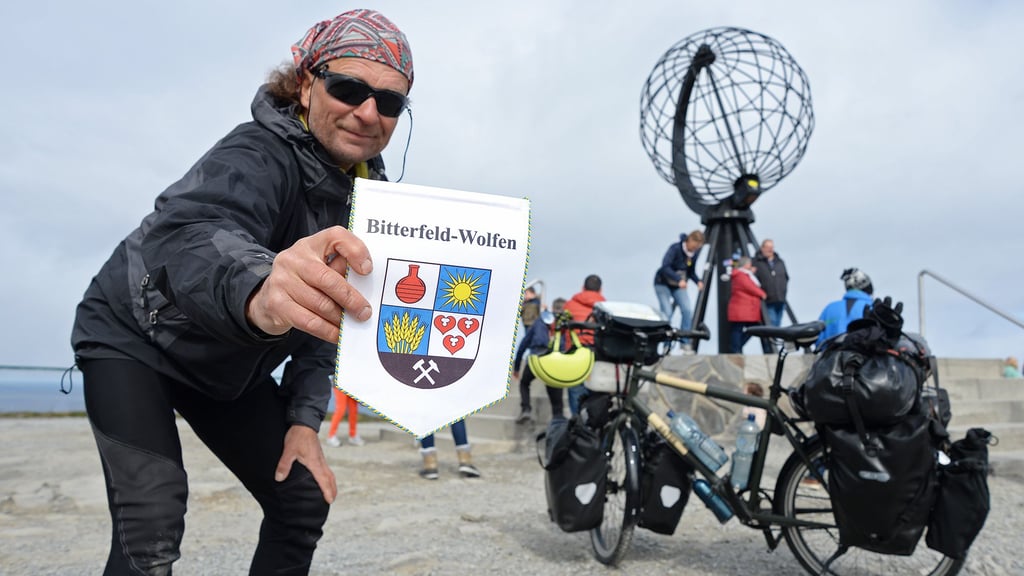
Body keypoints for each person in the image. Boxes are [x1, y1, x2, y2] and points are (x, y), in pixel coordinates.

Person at [69, 10, 414, 574]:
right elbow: (195, 232)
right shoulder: (256, 152)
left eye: (390, 102)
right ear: (305, 83)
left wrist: (304, 420)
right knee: (152, 520)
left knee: (301, 499)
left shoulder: (368, 201)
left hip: (226, 364)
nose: (368, 112)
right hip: (134, 335)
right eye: (349, 88)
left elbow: (332, 323)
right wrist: (260, 285)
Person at [512, 298, 568, 423]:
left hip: (536, 359)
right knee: (554, 386)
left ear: (553, 308)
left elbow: (523, 344)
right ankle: (558, 419)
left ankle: (526, 409)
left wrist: (516, 368)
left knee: (524, 383)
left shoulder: (539, 321)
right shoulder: (566, 324)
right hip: (555, 361)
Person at [653, 230, 705, 349]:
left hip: (678, 286)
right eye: (694, 246)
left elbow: (690, 272)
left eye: (697, 248)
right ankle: (666, 344)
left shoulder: (693, 255)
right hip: (662, 283)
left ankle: (684, 341)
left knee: (687, 310)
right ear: (690, 240)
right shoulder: (675, 249)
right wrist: (678, 279)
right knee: (667, 312)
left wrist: (698, 281)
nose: (694, 249)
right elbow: (665, 266)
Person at [564, 274, 606, 415]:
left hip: (575, 352)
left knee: (576, 390)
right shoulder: (605, 307)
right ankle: (593, 426)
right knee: (595, 391)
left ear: (582, 288)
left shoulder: (569, 305)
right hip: (596, 353)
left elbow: (558, 327)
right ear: (600, 290)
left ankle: (577, 426)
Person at [815, 268, 874, 348]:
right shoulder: (872, 307)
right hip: (862, 358)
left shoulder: (829, 309)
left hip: (830, 358)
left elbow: (818, 340)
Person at [727, 256, 766, 353]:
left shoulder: (743, 275)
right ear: (746, 264)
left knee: (746, 328)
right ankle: (736, 348)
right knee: (741, 329)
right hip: (742, 308)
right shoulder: (741, 275)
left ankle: (737, 347)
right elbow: (749, 287)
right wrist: (762, 294)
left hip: (746, 308)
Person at [752, 238, 789, 328]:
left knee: (778, 325)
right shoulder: (756, 262)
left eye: (771, 247)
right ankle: (771, 341)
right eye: (768, 247)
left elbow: (786, 277)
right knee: (771, 324)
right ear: (762, 248)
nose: (770, 249)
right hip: (767, 300)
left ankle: (774, 341)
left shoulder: (780, 262)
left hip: (780, 299)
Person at [326, 382, 364, 447]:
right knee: (341, 409)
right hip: (340, 382)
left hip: (353, 385)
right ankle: (331, 436)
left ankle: (353, 435)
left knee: (353, 410)